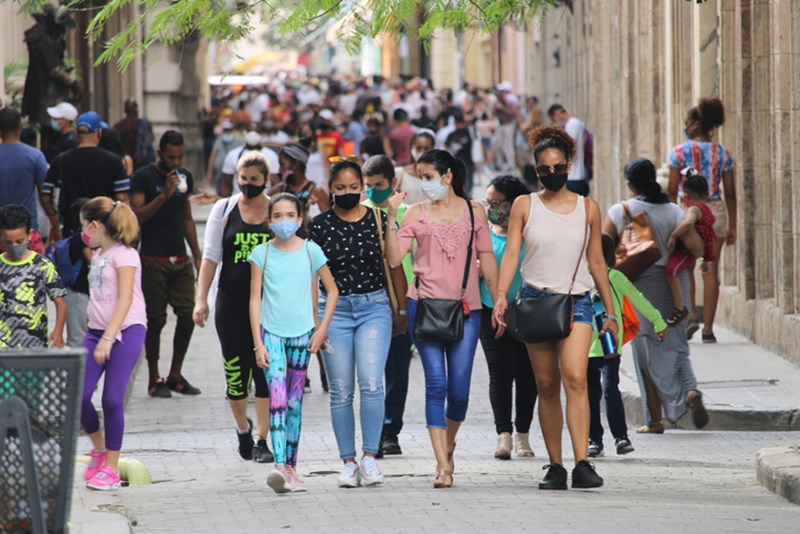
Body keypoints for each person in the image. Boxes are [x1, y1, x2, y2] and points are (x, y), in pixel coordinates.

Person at [492, 126, 617, 490]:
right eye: (543, 169)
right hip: (534, 302)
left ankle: (582, 462)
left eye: (558, 167)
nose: (551, 174)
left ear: (569, 165)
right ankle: (556, 465)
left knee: (576, 379)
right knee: (546, 385)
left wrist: (609, 311)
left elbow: (597, 262)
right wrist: (502, 294)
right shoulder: (523, 205)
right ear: (535, 169)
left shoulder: (587, 208)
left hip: (577, 302)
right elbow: (512, 253)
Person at [384, 149, 500, 489]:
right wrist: (392, 217)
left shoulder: (474, 210)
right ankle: (442, 465)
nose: (424, 184)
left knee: (460, 391)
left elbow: (487, 258)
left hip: (467, 310)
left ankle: (447, 446)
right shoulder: (414, 214)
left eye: (428, 177)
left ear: (447, 176)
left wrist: (500, 296)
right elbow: (394, 258)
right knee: (436, 385)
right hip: (425, 307)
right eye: (420, 177)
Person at [309, 158, 400, 488]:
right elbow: (312, 277)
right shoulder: (318, 225)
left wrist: (389, 218)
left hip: (374, 307)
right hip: (334, 312)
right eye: (340, 188)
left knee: (372, 383)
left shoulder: (377, 217)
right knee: (341, 390)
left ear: (362, 187)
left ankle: (370, 457)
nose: (347, 193)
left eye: (353, 187)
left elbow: (393, 261)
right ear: (330, 189)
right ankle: (347, 461)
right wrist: (316, 322)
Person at [603, 157, 709, 435]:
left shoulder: (621, 211)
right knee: (678, 348)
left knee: (644, 351)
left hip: (642, 285)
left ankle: (655, 420)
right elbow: (694, 248)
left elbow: (602, 248)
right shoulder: (674, 210)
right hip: (676, 284)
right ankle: (689, 391)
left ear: (630, 184)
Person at [250, 193, 338, 493]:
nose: (284, 221)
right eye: (277, 216)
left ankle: (291, 468)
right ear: (269, 221)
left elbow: (332, 291)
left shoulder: (311, 251)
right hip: (270, 334)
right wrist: (257, 344)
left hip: (302, 334)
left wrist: (320, 329)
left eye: (290, 215)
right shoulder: (261, 254)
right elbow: (254, 299)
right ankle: (279, 467)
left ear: (300, 219)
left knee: (295, 403)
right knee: (277, 399)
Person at [193, 151, 274, 462]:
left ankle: (262, 440)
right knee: (236, 375)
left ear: (266, 181)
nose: (248, 185)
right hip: (230, 301)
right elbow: (210, 256)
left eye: (255, 180)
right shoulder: (224, 208)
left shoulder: (275, 211)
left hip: (268, 306)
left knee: (264, 372)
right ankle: (242, 427)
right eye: (244, 179)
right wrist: (201, 300)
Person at [78, 197, 147, 490]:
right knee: (76, 394)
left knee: (112, 399)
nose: (82, 233)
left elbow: (126, 298)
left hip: (127, 331)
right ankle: (99, 448)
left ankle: (111, 468)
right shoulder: (97, 253)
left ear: (94, 225)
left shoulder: (126, 254)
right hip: (94, 332)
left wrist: (108, 338)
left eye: (84, 227)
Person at [131, 130, 202, 398]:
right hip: (152, 261)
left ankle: (175, 374)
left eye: (179, 156)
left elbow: (186, 216)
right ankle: (153, 376)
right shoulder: (143, 176)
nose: (175, 162)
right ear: (160, 153)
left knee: (187, 315)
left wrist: (196, 254)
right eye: (170, 156)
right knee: (155, 320)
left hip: (179, 259)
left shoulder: (185, 176)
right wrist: (163, 195)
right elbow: (137, 216)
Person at [587, 235, 668, 458]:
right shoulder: (581, 281)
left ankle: (620, 437)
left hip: (609, 344)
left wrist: (658, 320)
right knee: (590, 395)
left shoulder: (615, 277)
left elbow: (637, 297)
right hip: (584, 346)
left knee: (609, 390)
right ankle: (594, 439)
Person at [667, 97, 736, 343]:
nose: (685, 126)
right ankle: (708, 329)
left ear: (696, 124)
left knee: (686, 268)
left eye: (687, 122)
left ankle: (689, 318)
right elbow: (729, 192)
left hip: (687, 211)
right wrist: (732, 226)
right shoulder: (723, 153)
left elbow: (673, 189)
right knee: (711, 271)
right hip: (715, 211)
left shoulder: (679, 152)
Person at [477, 176, 537, 460]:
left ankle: (523, 435)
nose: (492, 208)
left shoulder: (531, 235)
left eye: (497, 202)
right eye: (489, 202)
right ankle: (504, 435)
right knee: (500, 374)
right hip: (490, 312)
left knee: (528, 375)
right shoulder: (484, 236)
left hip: (528, 312)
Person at [361, 155, 412, 456]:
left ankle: (390, 430)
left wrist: (406, 306)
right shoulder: (358, 213)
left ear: (392, 184)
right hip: (369, 300)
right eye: (368, 186)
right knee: (370, 372)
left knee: (397, 370)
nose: (372, 191)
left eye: (378, 185)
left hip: (402, 301)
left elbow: (415, 260)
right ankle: (373, 431)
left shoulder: (408, 214)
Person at [42, 111, 130, 245]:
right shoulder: (114, 161)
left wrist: (55, 224)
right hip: (105, 234)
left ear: (77, 134)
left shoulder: (60, 160)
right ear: (99, 133)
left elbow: (46, 196)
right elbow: (122, 198)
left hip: (72, 233)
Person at [0, 204, 66, 349]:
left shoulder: (42, 265)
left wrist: (58, 330)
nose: (14, 247)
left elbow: (60, 302)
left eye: (19, 241)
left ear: (29, 235)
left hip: (34, 345)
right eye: (8, 242)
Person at [664, 172, 716, 326]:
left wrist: (673, 235)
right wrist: (707, 259)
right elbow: (708, 237)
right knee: (685, 276)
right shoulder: (707, 210)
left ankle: (680, 307)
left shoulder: (694, 209)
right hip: (696, 252)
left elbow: (687, 224)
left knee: (670, 272)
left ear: (688, 195)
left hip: (687, 252)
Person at [0, 107, 50, 255]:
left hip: (1, 232)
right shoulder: (35, 156)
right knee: (34, 274)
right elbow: (44, 195)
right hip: (27, 232)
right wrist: (54, 222)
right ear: (20, 126)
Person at [269, 143, 329, 222]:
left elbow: (327, 222)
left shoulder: (316, 191)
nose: (279, 170)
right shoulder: (278, 190)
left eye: (282, 164)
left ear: (296, 164)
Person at [220, 127, 280, 197]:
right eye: (244, 178)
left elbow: (276, 183)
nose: (253, 134)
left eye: (254, 178)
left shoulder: (271, 155)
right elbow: (226, 184)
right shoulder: (233, 155)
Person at [547, 104, 588, 196]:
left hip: (573, 175)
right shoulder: (578, 123)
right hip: (579, 174)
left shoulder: (571, 124)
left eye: (554, 119)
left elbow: (571, 146)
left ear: (557, 114)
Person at [112, 99, 155, 170]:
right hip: (142, 162)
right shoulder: (145, 124)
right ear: (136, 110)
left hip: (125, 162)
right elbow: (151, 139)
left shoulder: (119, 126)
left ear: (125, 111)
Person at [395, 131, 435, 205]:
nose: (422, 152)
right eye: (419, 148)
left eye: (426, 149)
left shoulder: (437, 177)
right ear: (412, 148)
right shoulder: (400, 174)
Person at [205, 120, 242, 194]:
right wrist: (210, 174)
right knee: (220, 192)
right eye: (226, 130)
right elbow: (212, 158)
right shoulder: (218, 141)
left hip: (233, 173)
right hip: (220, 174)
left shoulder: (238, 142)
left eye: (229, 130)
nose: (227, 132)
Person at [493, 82, 518, 172]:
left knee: (509, 145)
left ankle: (511, 164)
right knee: (498, 144)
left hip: (509, 125)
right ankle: (501, 164)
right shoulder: (496, 101)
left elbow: (512, 113)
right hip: (500, 125)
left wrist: (502, 108)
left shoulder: (509, 101)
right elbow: (493, 113)